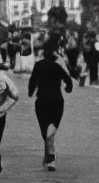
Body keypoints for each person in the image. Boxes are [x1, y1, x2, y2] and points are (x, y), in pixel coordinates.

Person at [28, 40, 73, 171]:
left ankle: (50, 156)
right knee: (51, 132)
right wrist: (67, 88)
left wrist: (31, 91)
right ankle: (50, 156)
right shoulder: (58, 66)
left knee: (45, 132)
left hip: (41, 101)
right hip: (56, 101)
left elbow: (32, 81)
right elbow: (68, 82)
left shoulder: (39, 65)